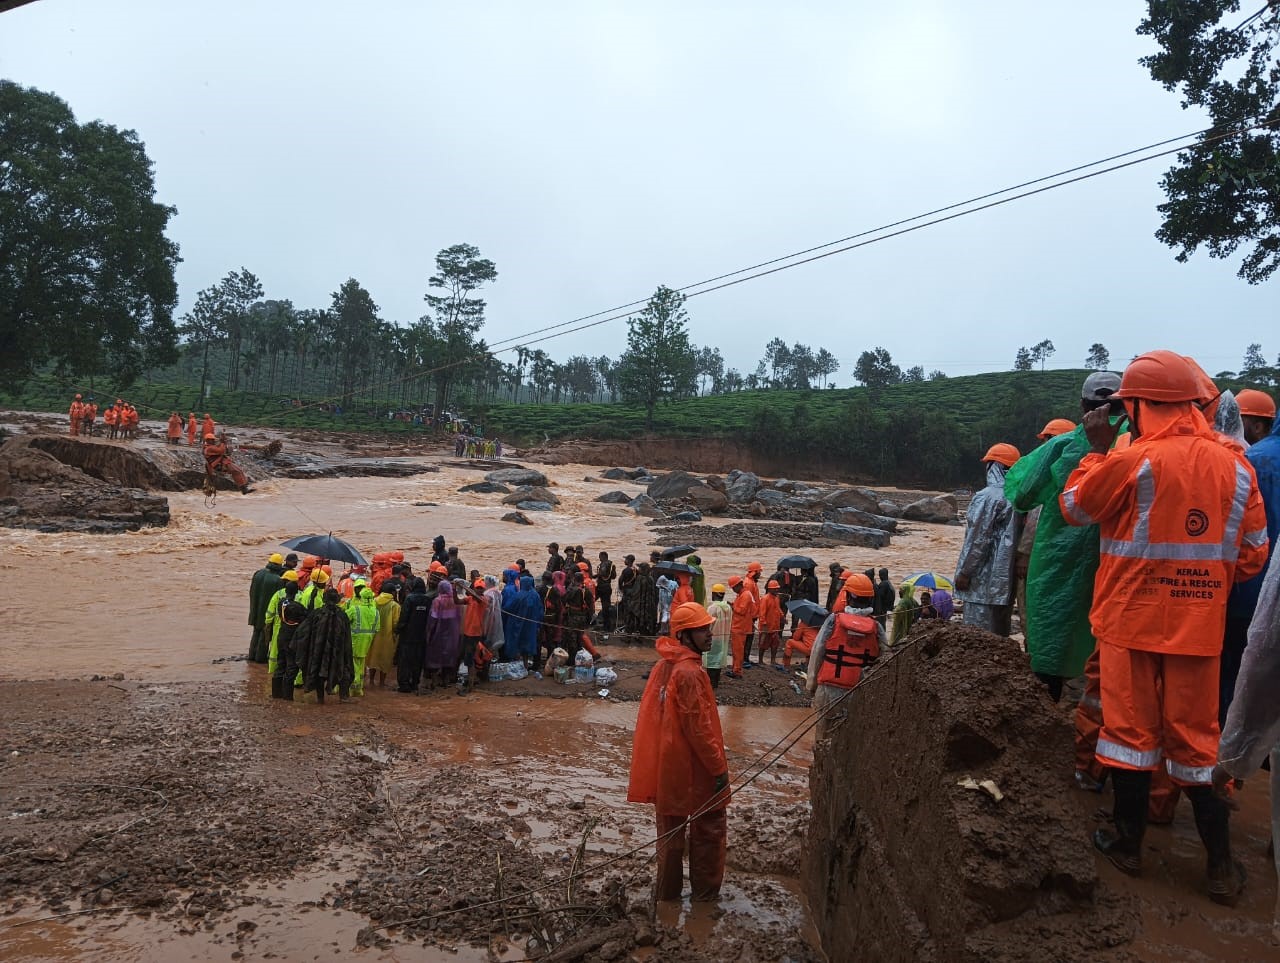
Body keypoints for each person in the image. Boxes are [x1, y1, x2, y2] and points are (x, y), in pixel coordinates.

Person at [1060, 350, 1266, 904]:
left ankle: (1127, 846)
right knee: (1199, 742)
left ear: (1144, 405)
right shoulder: (1237, 467)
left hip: (1129, 622)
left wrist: (1100, 450)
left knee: (1129, 738)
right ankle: (1220, 868)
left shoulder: (1133, 461)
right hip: (1199, 628)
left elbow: (1075, 506)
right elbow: (1251, 557)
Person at [1005, 372, 1126, 702]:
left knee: (1051, 648)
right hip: (1122, 574)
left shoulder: (1065, 446)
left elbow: (1023, 494)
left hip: (1058, 568)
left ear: (1083, 405)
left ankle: (1051, 729)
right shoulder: (1144, 446)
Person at [627, 602, 730, 902]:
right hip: (694, 766)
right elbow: (700, 729)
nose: (710, 635)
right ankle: (705, 900)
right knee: (709, 831)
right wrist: (718, 770)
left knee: (670, 838)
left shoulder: (665, 665)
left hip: (668, 764)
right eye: (703, 629)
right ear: (685, 634)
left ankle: (667, 897)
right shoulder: (690, 673)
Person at [1221, 386, 1279, 724]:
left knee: (1234, 669)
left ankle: (1229, 754)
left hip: (1248, 588)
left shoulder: (1252, 461)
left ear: (1255, 426)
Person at [954, 443, 1023, 636]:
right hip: (1006, 582)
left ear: (993, 466)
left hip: (981, 584)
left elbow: (978, 539)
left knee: (977, 638)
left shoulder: (987, 497)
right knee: (999, 634)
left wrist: (965, 572)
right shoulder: (1019, 496)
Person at [806, 573, 883, 737]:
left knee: (823, 735)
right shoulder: (876, 627)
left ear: (847, 596)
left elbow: (817, 650)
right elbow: (886, 658)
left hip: (828, 689)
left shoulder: (834, 620)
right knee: (849, 738)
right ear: (870, 599)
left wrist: (811, 684)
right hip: (858, 693)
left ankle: (821, 762)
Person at [292, 588, 356, 703]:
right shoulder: (342, 615)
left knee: (317, 671)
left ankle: (320, 699)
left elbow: (303, 631)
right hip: (338, 651)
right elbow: (347, 636)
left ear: (324, 599)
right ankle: (343, 697)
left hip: (318, 650)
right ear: (337, 600)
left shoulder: (316, 614)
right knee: (344, 669)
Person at [423, 569, 463, 689]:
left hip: (439, 633)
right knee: (449, 657)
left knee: (434, 657)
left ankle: (434, 682)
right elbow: (459, 617)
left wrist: (429, 632)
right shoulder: (456, 601)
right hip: (453, 634)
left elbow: (433, 618)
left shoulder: (437, 601)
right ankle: (445, 681)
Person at [263, 569, 301, 696]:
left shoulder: (279, 598)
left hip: (280, 631)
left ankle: (276, 693)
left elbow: (270, 613)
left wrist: (268, 625)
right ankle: (287, 695)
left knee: (279, 661)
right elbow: (304, 615)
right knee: (291, 664)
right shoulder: (300, 599)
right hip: (294, 634)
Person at [395, 577, 434, 693]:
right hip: (421, 636)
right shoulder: (428, 600)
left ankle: (404, 684)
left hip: (407, 636)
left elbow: (404, 617)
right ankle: (415, 683)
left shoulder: (409, 599)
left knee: (405, 660)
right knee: (417, 661)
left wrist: (398, 629)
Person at [248, 552, 287, 663]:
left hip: (255, 609)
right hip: (268, 612)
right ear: (279, 566)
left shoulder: (258, 574)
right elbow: (278, 598)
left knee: (256, 632)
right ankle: (260, 658)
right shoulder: (278, 580)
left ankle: (251, 655)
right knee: (265, 635)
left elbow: (251, 592)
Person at [366, 580, 401, 689]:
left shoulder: (373, 601)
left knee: (372, 658)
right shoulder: (395, 606)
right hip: (388, 637)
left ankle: (371, 681)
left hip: (373, 635)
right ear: (393, 592)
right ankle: (381, 683)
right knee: (385, 660)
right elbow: (396, 623)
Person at [346, 585, 379, 696]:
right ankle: (359, 688)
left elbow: (344, 619)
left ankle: (353, 688)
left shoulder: (355, 609)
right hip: (367, 642)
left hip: (355, 640)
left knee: (353, 664)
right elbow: (377, 628)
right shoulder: (376, 612)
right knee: (361, 665)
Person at [704, 584, 731, 687]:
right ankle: (716, 682)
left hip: (713, 637)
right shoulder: (728, 607)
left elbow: (708, 624)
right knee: (719, 659)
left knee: (711, 660)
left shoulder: (712, 608)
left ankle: (710, 683)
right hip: (724, 637)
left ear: (713, 594)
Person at [727, 575, 754, 678]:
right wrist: (732, 604)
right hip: (738, 626)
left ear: (738, 585)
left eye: (733, 588)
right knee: (736, 650)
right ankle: (735, 669)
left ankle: (737, 671)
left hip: (741, 627)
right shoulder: (741, 594)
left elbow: (741, 611)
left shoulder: (746, 595)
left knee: (738, 651)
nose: (733, 590)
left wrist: (732, 606)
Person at [757, 580, 784, 667]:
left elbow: (778, 609)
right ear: (770, 589)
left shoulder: (776, 598)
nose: (777, 590)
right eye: (775, 589)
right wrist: (764, 624)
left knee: (775, 644)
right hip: (766, 627)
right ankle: (760, 661)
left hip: (775, 626)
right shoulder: (765, 599)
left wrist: (782, 616)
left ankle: (773, 661)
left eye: (777, 589)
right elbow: (762, 613)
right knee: (763, 644)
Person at [596, 551, 617, 630]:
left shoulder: (604, 564)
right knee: (606, 606)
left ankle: (606, 626)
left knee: (603, 606)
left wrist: (595, 575)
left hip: (602, 587)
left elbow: (603, 573)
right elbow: (614, 577)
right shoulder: (611, 565)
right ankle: (608, 624)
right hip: (608, 586)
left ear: (604, 556)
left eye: (600, 556)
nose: (599, 558)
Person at [656, 572, 677, 637]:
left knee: (667, 617)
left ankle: (666, 631)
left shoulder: (674, 584)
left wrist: (673, 593)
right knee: (665, 616)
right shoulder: (662, 587)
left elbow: (676, 594)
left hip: (671, 603)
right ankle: (665, 631)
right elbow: (660, 597)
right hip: (665, 604)